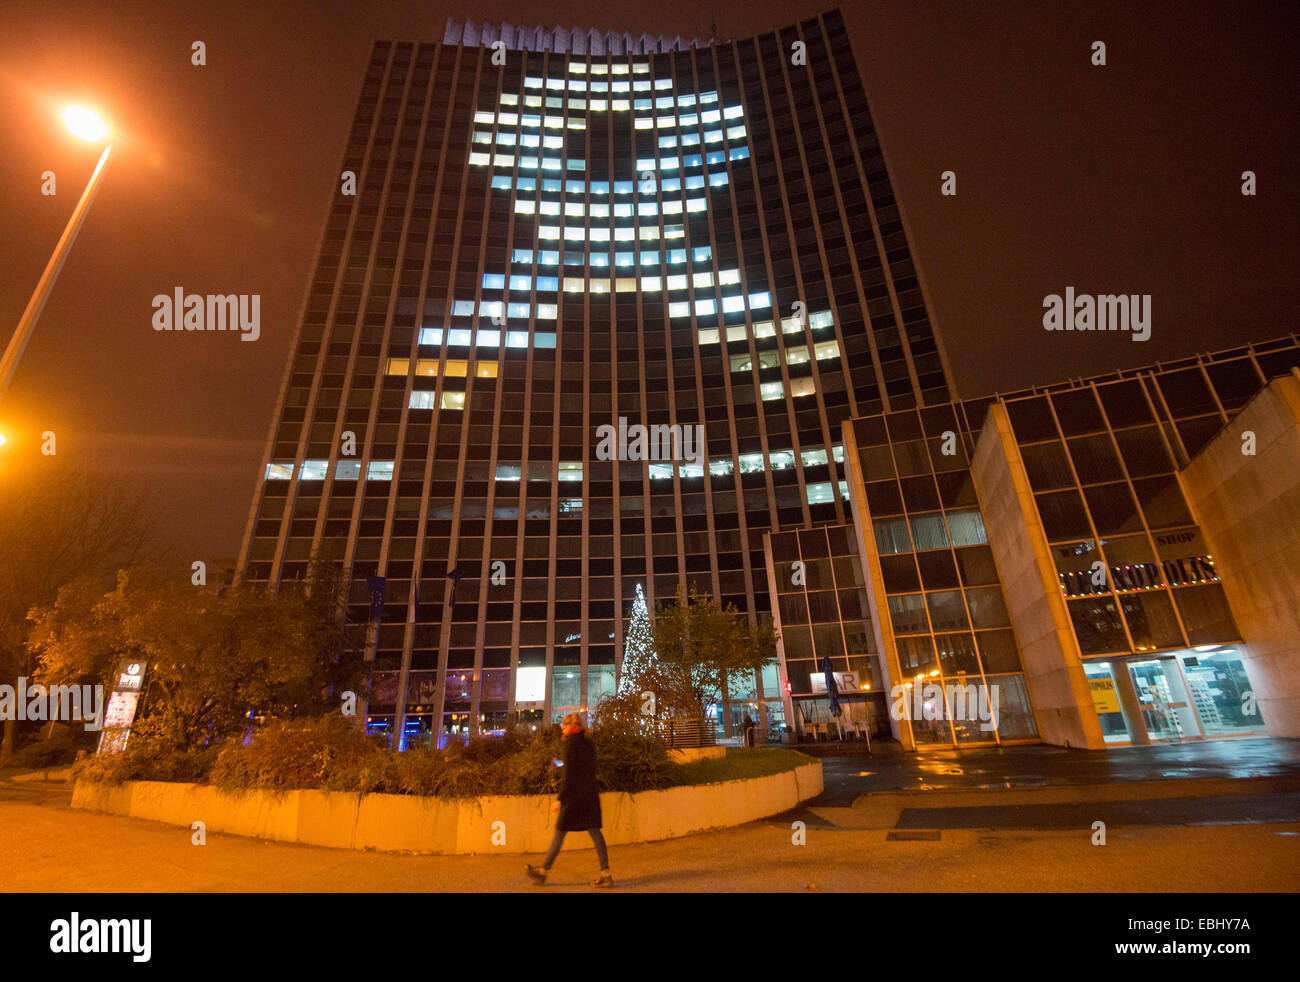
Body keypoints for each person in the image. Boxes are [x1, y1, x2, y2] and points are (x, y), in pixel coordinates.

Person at [525, 712, 613, 888]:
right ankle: (606, 873)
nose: (562, 729)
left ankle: (542, 872)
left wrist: (560, 799)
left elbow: (570, 774)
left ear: (569, 726)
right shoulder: (588, 741)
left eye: (563, 725)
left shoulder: (569, 743)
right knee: (595, 833)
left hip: (574, 797)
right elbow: (587, 767)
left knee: (560, 832)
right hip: (589, 795)